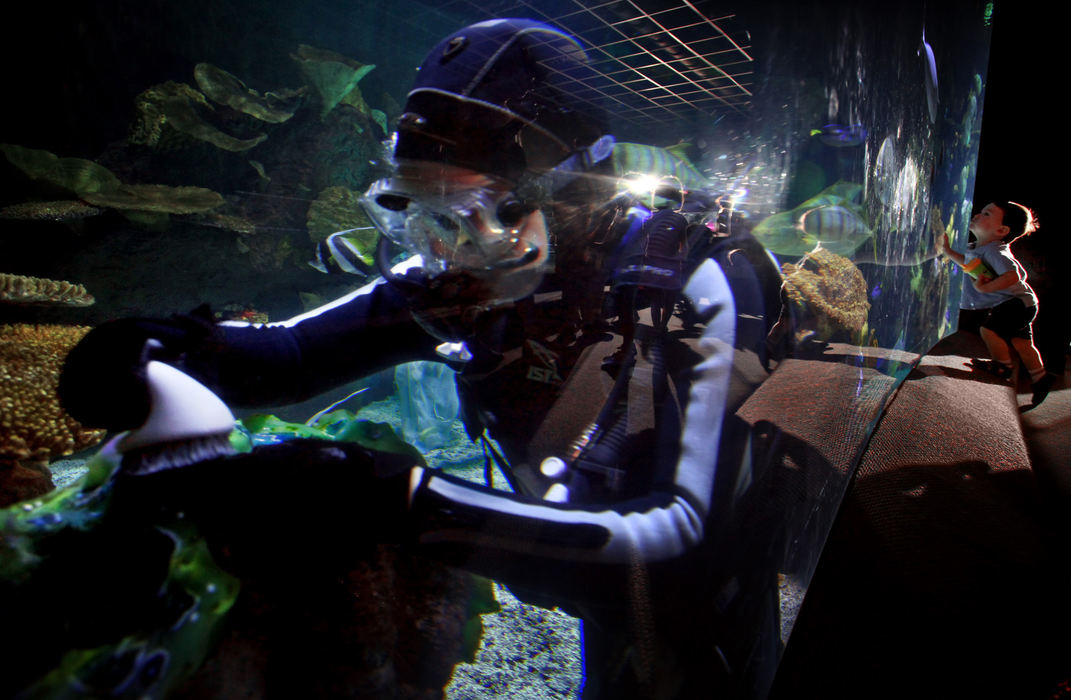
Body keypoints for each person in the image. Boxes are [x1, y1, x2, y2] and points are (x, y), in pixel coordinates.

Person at [59, 19, 786, 697]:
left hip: (711, 614)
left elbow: (680, 547)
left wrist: (394, 498)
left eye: (469, 210)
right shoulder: (469, 277)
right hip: (585, 576)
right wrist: (167, 346)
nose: (444, 252)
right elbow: (294, 355)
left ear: (562, 188)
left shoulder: (695, 282)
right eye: (419, 211)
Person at [937, 200, 1055, 406]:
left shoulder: (995, 251)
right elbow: (968, 263)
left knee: (988, 330)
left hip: (1017, 303)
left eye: (987, 214)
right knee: (1022, 342)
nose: (978, 215)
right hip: (1024, 303)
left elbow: (1014, 276)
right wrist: (947, 251)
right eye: (982, 211)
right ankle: (1041, 378)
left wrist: (984, 288)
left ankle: (1002, 366)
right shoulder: (980, 249)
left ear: (1001, 229)